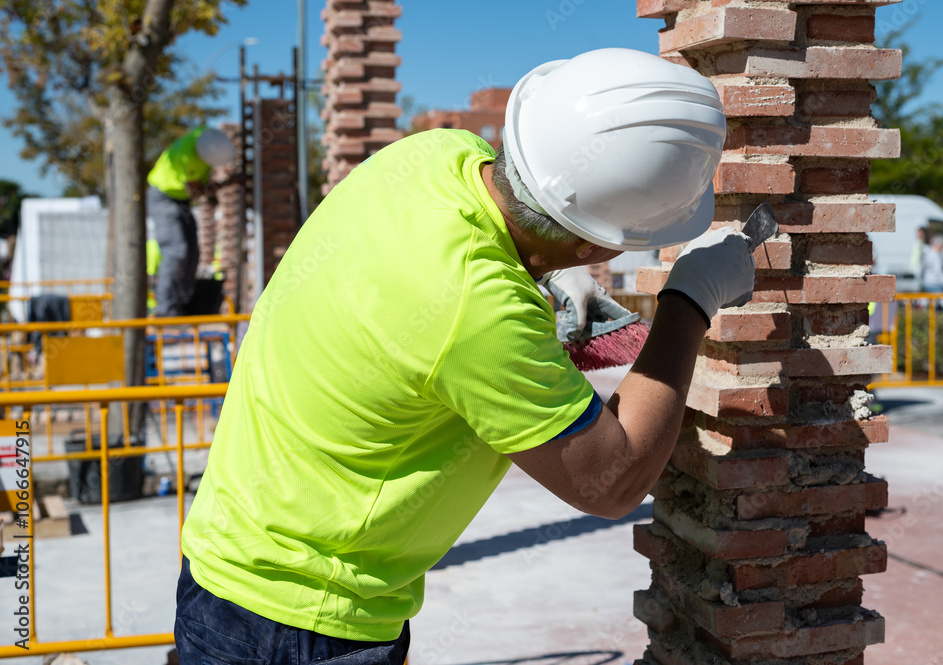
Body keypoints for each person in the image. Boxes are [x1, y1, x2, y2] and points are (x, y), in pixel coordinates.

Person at [174, 48, 756, 664]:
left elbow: (443, 270)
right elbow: (613, 480)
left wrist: (540, 278)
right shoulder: (476, 310)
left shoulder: (433, 155)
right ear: (595, 244)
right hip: (300, 623)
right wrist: (689, 302)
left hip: (228, 560)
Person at [146, 127, 236, 317]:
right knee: (176, 252)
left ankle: (184, 304)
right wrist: (226, 183)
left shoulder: (206, 138)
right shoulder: (189, 155)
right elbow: (197, 192)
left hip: (181, 201)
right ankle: (165, 310)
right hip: (163, 197)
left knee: (193, 254)